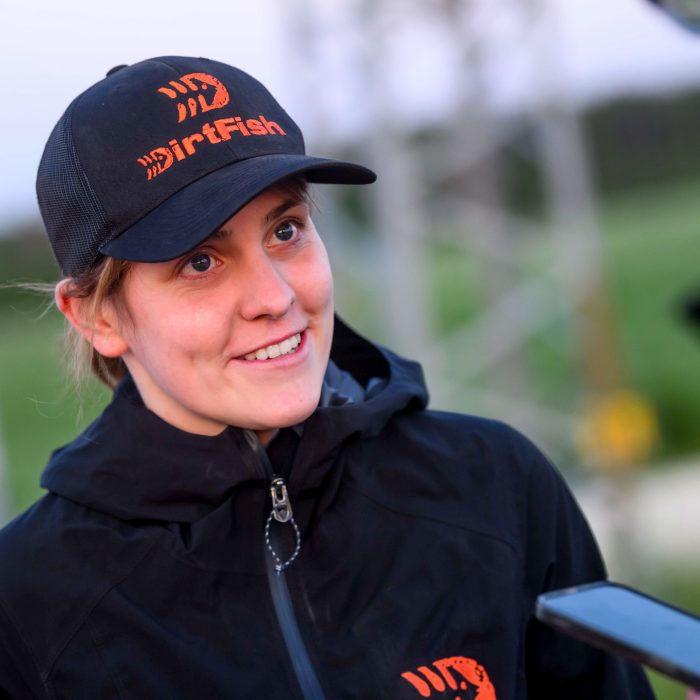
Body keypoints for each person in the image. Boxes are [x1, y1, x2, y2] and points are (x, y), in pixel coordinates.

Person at [0, 56, 654, 699]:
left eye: (286, 230)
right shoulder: (25, 607)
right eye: (200, 262)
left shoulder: (496, 483)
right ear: (97, 317)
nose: (275, 296)